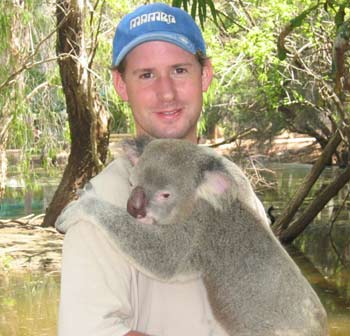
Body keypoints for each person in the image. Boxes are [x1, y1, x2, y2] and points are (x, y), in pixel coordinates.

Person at [57, 3, 268, 336]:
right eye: (146, 75)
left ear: (206, 75)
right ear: (121, 85)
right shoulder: (101, 210)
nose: (166, 92)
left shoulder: (230, 184)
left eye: (180, 70)